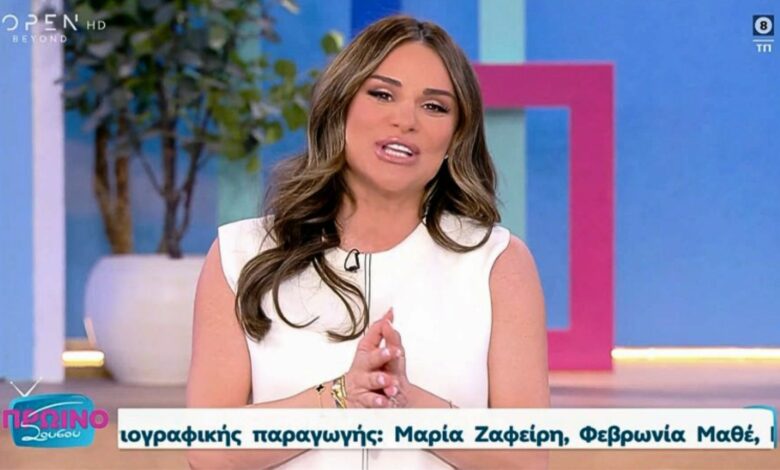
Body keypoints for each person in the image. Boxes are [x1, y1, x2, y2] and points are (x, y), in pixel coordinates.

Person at [187, 14, 549, 469]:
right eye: (382, 94)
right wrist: (338, 398)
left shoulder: (498, 263)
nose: (405, 120)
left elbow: (527, 459)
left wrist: (408, 403)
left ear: (456, 138)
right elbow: (206, 451)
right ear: (340, 107)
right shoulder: (242, 254)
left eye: (434, 106)